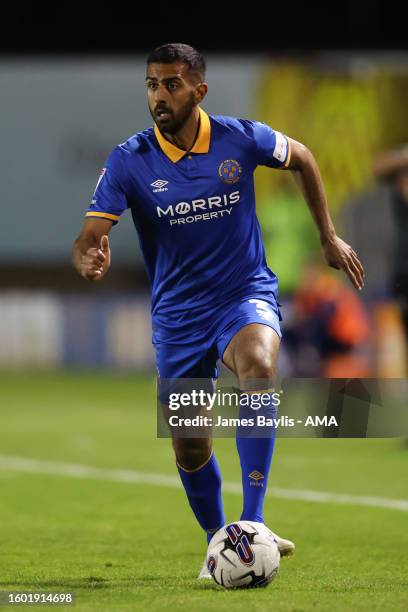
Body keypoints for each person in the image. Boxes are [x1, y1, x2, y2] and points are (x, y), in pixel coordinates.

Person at [72, 43, 365, 578]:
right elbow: (90, 234)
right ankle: (219, 541)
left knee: (259, 366)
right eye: (152, 85)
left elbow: (302, 156)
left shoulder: (238, 137)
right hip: (178, 317)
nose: (159, 96)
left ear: (198, 90)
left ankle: (252, 524)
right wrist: (90, 252)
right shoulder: (129, 159)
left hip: (242, 293)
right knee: (189, 444)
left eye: (172, 85)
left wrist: (328, 236)